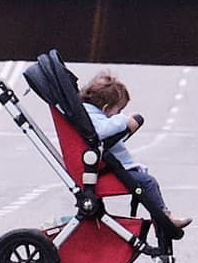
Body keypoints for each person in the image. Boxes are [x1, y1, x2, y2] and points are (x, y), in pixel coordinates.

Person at [77, 70, 188, 240]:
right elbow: (103, 130)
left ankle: (162, 222)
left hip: (105, 166)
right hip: (104, 170)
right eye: (119, 110)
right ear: (106, 108)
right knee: (148, 182)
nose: (120, 115)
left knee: (146, 182)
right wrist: (124, 121)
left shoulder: (89, 113)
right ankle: (164, 221)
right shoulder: (94, 117)